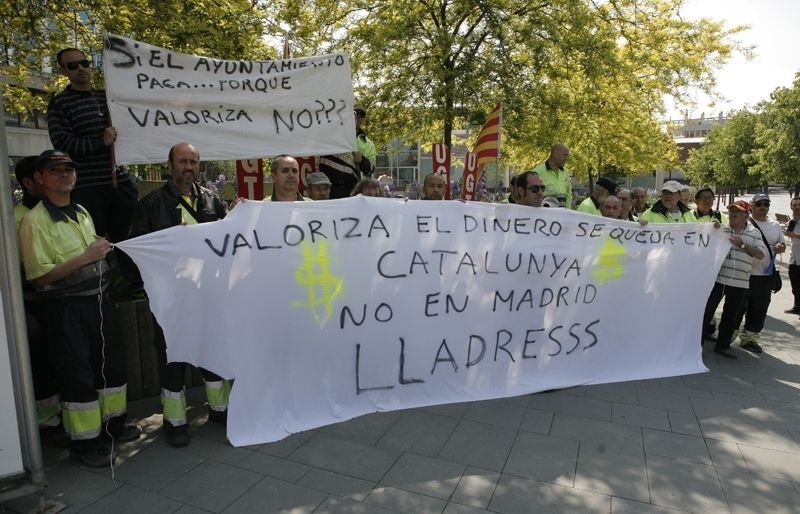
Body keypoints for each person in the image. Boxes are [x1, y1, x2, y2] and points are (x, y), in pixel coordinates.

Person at [18, 150, 139, 467]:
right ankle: (85, 444)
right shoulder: (34, 221)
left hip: (99, 302)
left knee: (109, 367)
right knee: (78, 375)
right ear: (40, 178)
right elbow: (39, 277)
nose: (64, 174)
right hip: (67, 309)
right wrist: (86, 257)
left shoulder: (81, 210)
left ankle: (113, 426)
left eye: (69, 169)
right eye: (55, 170)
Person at [128, 143, 229, 447]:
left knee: (212, 352)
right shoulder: (151, 204)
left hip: (207, 294)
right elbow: (136, 252)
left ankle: (221, 410)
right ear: (170, 164)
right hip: (170, 299)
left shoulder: (212, 199)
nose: (189, 167)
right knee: (172, 358)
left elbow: (227, 241)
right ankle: (175, 422)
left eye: (194, 162)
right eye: (183, 161)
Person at [46, 48, 137, 243]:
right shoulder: (60, 103)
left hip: (120, 184)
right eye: (73, 65)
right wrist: (101, 142)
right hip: (88, 189)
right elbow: (63, 144)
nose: (81, 68)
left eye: (85, 63)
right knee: (95, 246)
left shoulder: (108, 97)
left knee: (131, 243)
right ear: (63, 71)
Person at [14, 157, 63, 436]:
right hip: (34, 303)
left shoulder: (59, 211)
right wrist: (25, 313)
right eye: (45, 175)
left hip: (58, 303)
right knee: (42, 366)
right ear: (29, 182)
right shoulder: (19, 218)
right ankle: (47, 425)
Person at [702, 200, 766, 359]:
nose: (733, 214)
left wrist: (742, 245)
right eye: (731, 211)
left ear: (746, 215)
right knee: (706, 312)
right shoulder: (721, 229)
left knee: (731, 316)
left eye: (737, 211)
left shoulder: (755, 233)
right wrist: (711, 228)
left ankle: (722, 346)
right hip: (717, 280)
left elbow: (761, 254)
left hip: (740, 282)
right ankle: (696, 344)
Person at [732, 194, 786, 353]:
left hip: (764, 276)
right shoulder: (744, 222)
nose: (762, 207)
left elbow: (781, 244)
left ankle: (750, 339)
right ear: (751, 206)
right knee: (736, 307)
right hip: (743, 273)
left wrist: (781, 247)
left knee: (759, 309)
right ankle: (728, 335)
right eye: (759, 204)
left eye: (766, 204)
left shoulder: (775, 225)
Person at [785, 196, 800, 314]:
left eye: (799, 205)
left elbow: (792, 235)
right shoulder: (791, 222)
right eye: (794, 205)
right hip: (794, 258)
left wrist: (793, 235)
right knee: (795, 285)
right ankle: (797, 306)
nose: (797, 207)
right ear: (791, 207)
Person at [354, 106, 377, 175]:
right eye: (355, 113)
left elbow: (371, 170)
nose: (358, 116)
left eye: (362, 115)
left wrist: (362, 160)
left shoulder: (369, 144)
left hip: (354, 181)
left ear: (363, 119)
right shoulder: (336, 136)